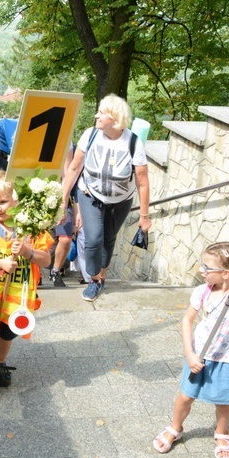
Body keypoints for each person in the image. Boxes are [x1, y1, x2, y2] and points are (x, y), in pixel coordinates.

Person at [153, 242, 229, 458]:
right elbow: (187, 320)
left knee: (223, 400)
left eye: (207, 267)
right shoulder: (203, 291)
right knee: (185, 396)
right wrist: (190, 353)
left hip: (228, 357)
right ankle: (175, 427)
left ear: (226, 273)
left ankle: (221, 433)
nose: (201, 270)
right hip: (199, 355)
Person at [0, 170, 53, 417]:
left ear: (16, 200)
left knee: (7, 331)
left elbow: (46, 259)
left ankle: (0, 363)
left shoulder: (30, 227)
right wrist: (0, 264)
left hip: (16, 297)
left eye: (2, 201)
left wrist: (27, 251)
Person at [61, 94, 152, 302]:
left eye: (101, 112)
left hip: (120, 201)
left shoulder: (133, 142)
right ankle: (93, 280)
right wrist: (63, 199)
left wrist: (144, 215)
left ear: (115, 117)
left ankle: (101, 277)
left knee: (108, 239)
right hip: (90, 195)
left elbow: (142, 181)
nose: (96, 116)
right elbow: (74, 169)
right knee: (93, 239)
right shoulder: (90, 135)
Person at [50, 145, 80, 287]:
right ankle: (35, 272)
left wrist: (74, 214)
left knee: (66, 238)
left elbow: (68, 173)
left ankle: (55, 271)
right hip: (40, 194)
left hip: (63, 198)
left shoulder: (66, 141)